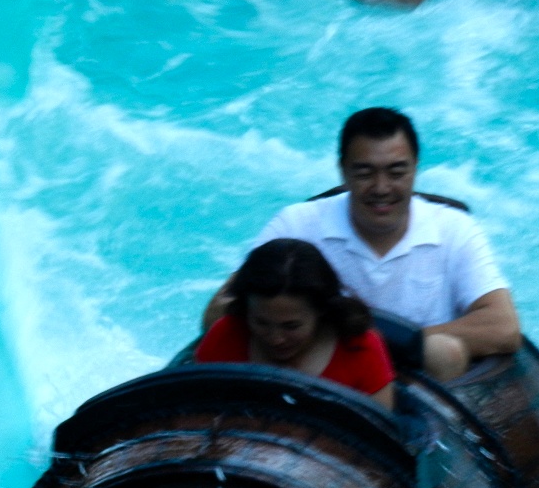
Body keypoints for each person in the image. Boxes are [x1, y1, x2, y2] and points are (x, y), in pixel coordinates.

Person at [204, 107, 522, 381]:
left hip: (421, 383)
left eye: (396, 172)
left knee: (444, 352)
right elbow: (217, 314)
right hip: (319, 378)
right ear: (343, 171)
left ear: (415, 168)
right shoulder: (297, 224)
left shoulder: (455, 229)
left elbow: (503, 327)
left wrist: (381, 347)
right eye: (365, 173)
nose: (381, 188)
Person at [195, 238, 396, 410]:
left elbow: (381, 432)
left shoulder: (360, 348)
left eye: (291, 326)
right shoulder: (225, 335)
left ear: (321, 311)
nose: (276, 339)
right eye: (261, 322)